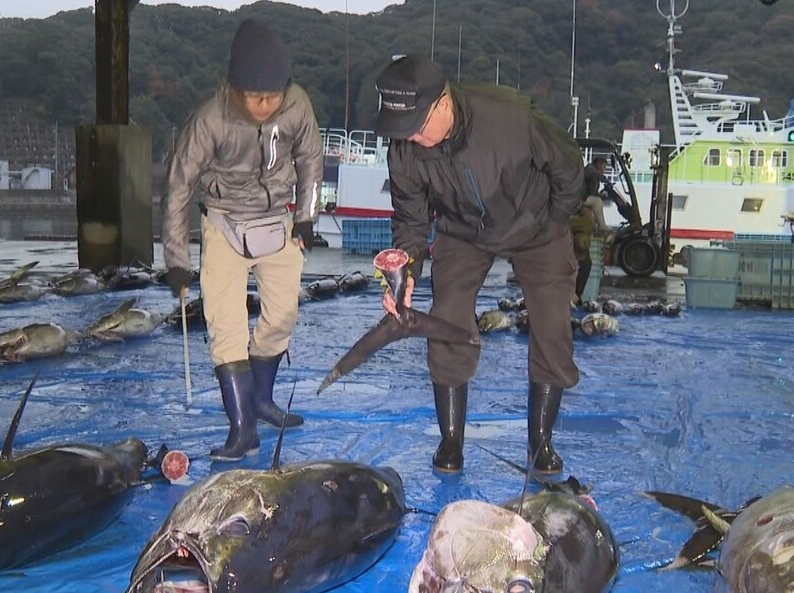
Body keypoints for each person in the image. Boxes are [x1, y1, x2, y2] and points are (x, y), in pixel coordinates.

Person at [374, 54, 584, 475]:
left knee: (552, 321)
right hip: (463, 231)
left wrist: (555, 219)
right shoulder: (404, 148)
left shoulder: (512, 117)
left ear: (443, 104)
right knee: (446, 315)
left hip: (536, 224)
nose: (410, 138)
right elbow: (412, 220)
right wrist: (405, 273)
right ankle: (450, 441)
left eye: (416, 126)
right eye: (401, 130)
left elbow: (568, 167)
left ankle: (540, 444)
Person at [160, 19, 323, 461]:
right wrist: (176, 261)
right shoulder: (210, 118)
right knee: (226, 326)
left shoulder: (297, 105)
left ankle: (262, 399)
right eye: (255, 96)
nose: (266, 105)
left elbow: (310, 158)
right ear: (235, 88)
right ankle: (242, 428)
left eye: (274, 96)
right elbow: (178, 186)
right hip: (224, 222)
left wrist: (306, 219)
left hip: (277, 220)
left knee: (282, 315)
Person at [583, 155, 611, 235]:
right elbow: (592, 174)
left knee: (598, 200)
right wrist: (605, 179)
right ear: (599, 164)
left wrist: (601, 195)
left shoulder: (594, 174)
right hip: (580, 197)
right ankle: (602, 226)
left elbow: (592, 192)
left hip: (584, 196)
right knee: (597, 202)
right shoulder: (591, 169)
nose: (604, 169)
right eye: (604, 166)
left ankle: (597, 227)